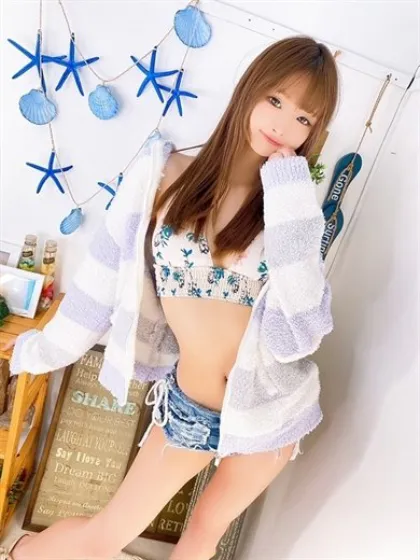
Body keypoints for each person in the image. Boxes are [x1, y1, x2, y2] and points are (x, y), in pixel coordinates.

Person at [1, 35, 339, 560]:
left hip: (273, 409)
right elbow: (100, 277)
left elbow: (299, 333)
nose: (283, 124)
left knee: (204, 534)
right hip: (193, 406)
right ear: (249, 90)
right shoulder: (165, 173)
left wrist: (290, 191)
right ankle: (23, 552)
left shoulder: (289, 207)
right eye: (275, 100)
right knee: (106, 537)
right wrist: (40, 351)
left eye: (303, 119)